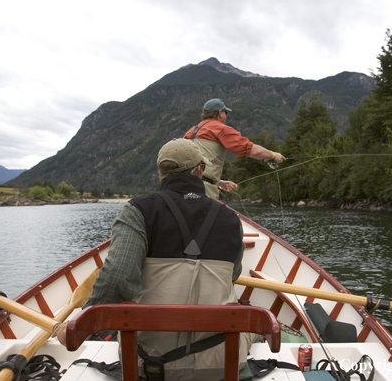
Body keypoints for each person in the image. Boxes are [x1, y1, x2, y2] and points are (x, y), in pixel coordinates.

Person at [52, 138, 252, 381]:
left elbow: (117, 277)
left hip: (150, 365)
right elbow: (232, 276)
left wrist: (81, 324)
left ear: (161, 173)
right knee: (249, 319)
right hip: (223, 363)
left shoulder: (138, 210)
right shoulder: (230, 218)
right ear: (199, 170)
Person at [183, 98, 286, 200]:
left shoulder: (191, 132)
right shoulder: (221, 129)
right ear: (220, 113)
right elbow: (250, 150)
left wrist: (219, 182)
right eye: (226, 113)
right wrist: (273, 155)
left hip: (178, 187)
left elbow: (193, 167)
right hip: (201, 189)